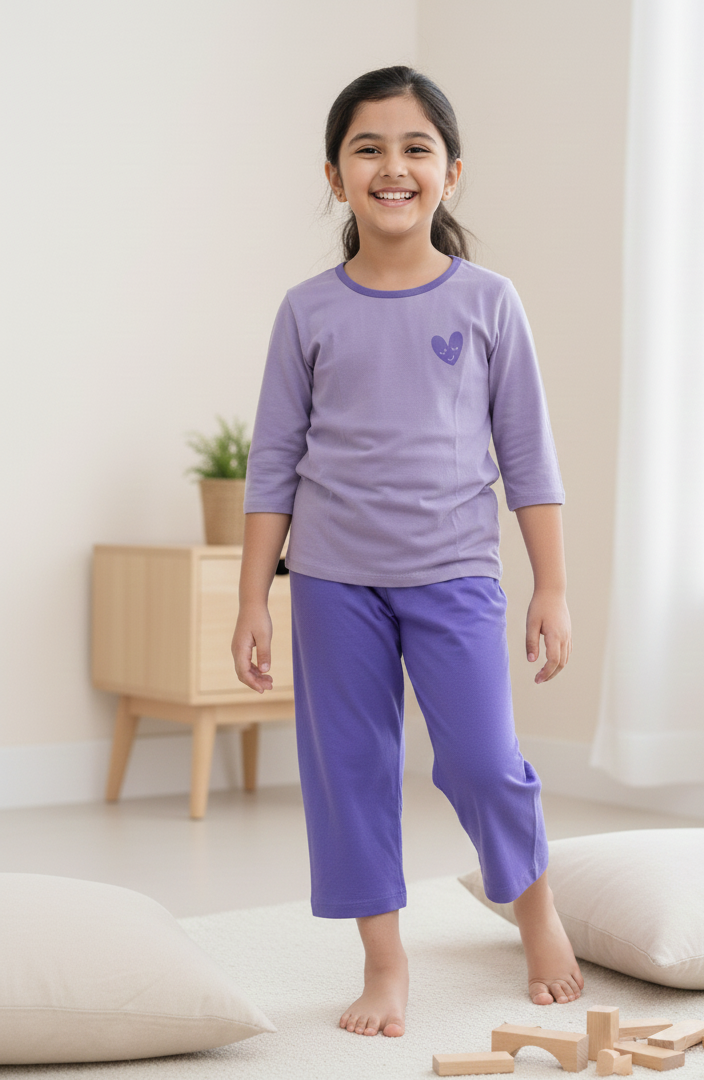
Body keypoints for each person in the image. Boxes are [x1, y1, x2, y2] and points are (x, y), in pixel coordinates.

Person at [231, 64, 583, 1040]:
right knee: (349, 770)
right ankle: (386, 963)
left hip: (456, 572)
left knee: (480, 758)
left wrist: (551, 584)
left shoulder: (488, 301)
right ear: (336, 176)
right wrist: (255, 599)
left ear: (452, 172)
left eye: (415, 148)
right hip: (336, 580)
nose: (393, 166)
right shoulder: (308, 310)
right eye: (369, 149)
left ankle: (537, 912)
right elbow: (274, 465)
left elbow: (528, 456)